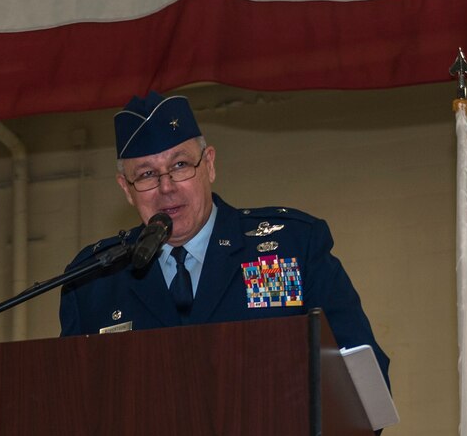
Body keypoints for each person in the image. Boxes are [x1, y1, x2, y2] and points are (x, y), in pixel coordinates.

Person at [58, 91, 389, 380]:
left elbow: (362, 371)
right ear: (126, 190)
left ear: (209, 165)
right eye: (146, 174)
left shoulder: (294, 246)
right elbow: (71, 406)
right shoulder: (96, 280)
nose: (166, 187)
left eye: (180, 165)